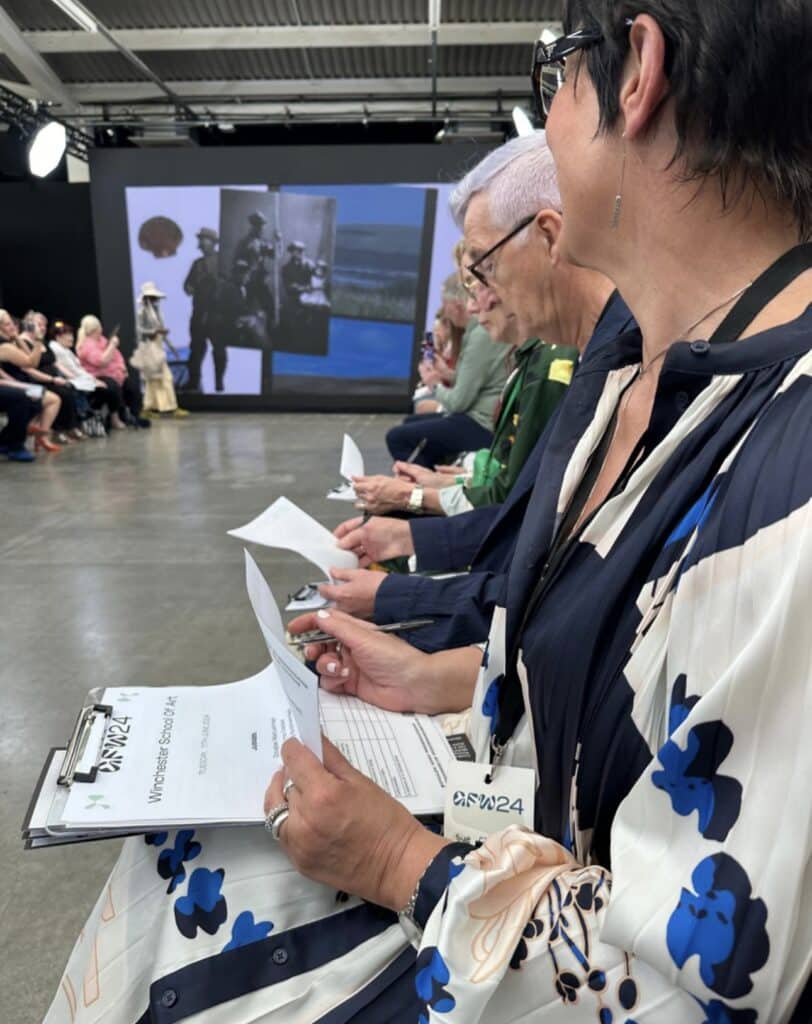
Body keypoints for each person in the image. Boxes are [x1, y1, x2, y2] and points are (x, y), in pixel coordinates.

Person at [46, 5, 812, 1020]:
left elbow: (687, 985)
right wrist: (437, 675)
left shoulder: (785, 472)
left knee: (196, 890)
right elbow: (604, 670)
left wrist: (403, 860)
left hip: (541, 950)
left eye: (557, 76)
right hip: (512, 855)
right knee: (191, 839)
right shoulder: (636, 360)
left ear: (637, 75)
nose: (473, 291)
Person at [50, 320, 126, 432]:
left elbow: (79, 369)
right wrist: (93, 380)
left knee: (114, 384)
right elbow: (98, 362)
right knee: (110, 386)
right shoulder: (60, 351)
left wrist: (120, 366)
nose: (71, 337)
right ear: (57, 337)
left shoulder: (67, 351)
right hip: (79, 381)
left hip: (88, 377)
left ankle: (114, 417)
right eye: (67, 335)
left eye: (71, 334)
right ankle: (104, 418)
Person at [76, 314, 150, 428]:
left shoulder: (102, 340)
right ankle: (114, 418)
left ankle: (136, 416)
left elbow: (117, 356)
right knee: (112, 387)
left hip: (115, 373)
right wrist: (113, 344)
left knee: (132, 387)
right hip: (98, 376)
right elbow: (101, 361)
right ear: (96, 328)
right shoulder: (86, 345)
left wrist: (122, 367)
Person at [136, 282, 188, 417]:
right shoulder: (141, 312)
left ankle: (154, 407)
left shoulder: (157, 311)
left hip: (157, 347)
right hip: (148, 348)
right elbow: (139, 330)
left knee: (159, 379)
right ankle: (163, 408)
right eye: (153, 297)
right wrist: (153, 331)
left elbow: (162, 332)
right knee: (158, 379)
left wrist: (172, 348)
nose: (155, 300)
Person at [183, 227, 223, 392]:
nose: (200, 242)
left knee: (219, 348)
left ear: (212, 242)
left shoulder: (222, 261)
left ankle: (219, 384)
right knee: (196, 349)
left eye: (203, 239)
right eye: (200, 239)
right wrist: (191, 287)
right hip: (198, 313)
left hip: (216, 314)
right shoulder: (196, 264)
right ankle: (193, 383)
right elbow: (187, 286)